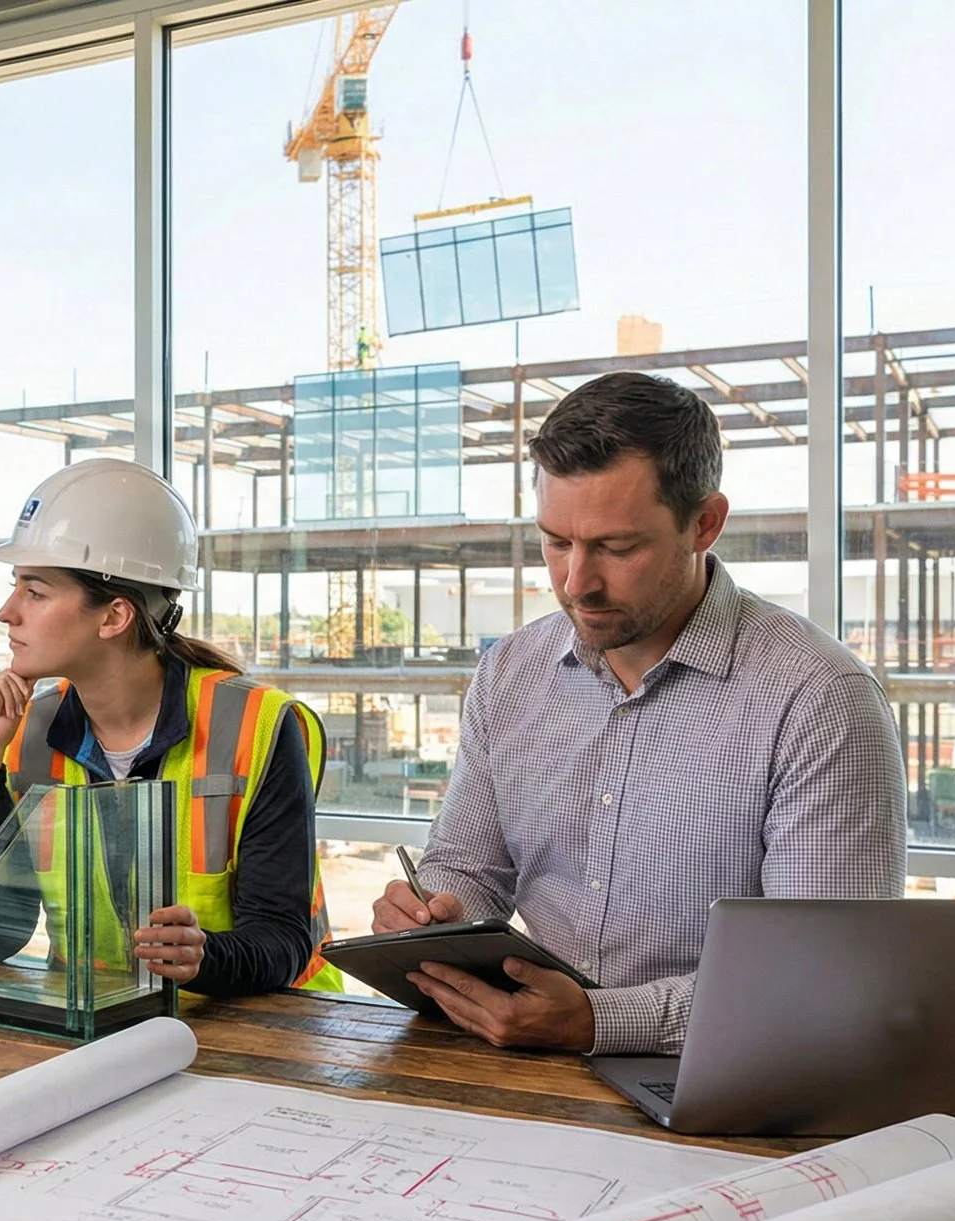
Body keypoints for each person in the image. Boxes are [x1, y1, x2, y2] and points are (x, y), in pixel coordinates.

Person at [371, 370, 905, 1055]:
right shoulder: (510, 673)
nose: (575, 583)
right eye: (556, 541)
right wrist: (432, 915)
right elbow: (470, 869)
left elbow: (822, 979)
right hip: (534, 1064)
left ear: (705, 523)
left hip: (735, 1077)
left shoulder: (818, 699)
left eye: (616, 548)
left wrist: (597, 1022)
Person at [0, 458, 343, 998]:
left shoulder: (256, 726)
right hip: (102, 1026)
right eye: (14, 587)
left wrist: (206, 957)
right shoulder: (28, 732)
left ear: (114, 616)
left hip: (267, 1031)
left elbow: (283, 939)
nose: (6, 612)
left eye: (35, 592)